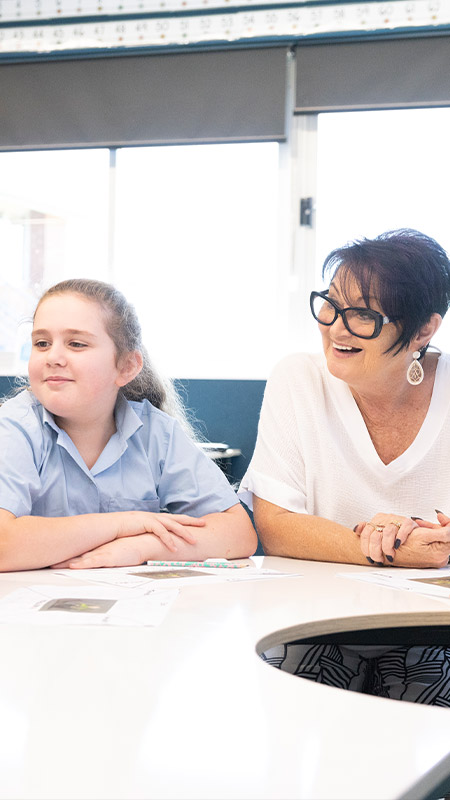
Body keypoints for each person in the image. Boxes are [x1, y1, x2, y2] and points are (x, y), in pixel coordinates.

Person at [239, 228, 450, 704]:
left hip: (433, 627)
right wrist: (388, 549)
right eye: (331, 305)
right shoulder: (298, 378)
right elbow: (276, 526)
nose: (336, 328)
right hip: (313, 619)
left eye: (363, 315)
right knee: (290, 717)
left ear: (423, 330)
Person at [0, 278, 257, 572]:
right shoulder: (14, 427)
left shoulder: (157, 433)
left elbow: (238, 533)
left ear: (127, 367)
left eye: (76, 344)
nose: (53, 357)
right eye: (41, 343)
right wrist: (122, 524)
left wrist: (139, 546)